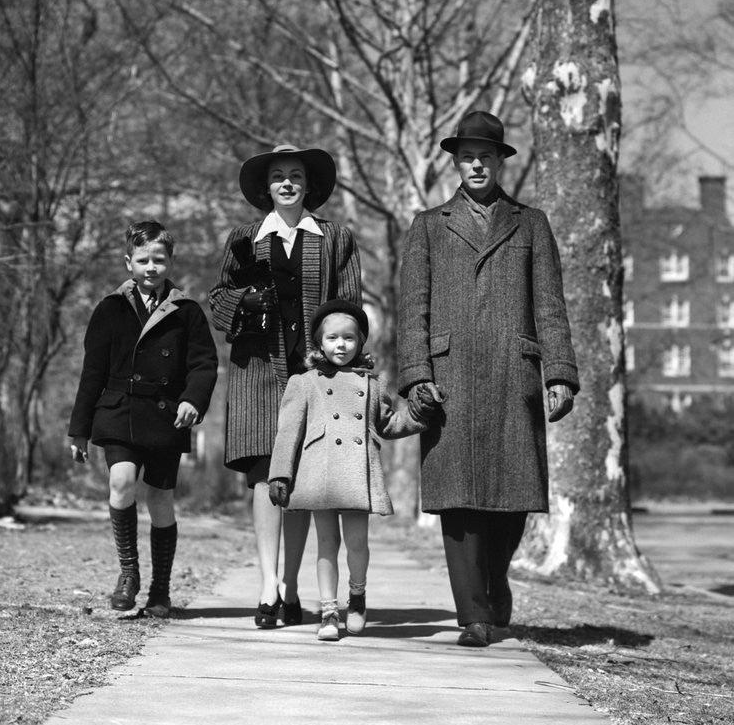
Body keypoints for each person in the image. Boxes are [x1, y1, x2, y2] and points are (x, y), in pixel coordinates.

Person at [398, 111, 579, 648]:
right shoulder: (428, 225)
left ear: (500, 161)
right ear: (456, 163)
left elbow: (550, 305)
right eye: (467, 157)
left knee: (512, 496)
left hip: (513, 373)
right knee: (457, 498)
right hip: (448, 375)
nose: (476, 165)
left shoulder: (531, 223)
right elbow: (413, 311)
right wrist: (415, 377)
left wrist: (560, 373)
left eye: (485, 156)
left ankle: (495, 580)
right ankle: (473, 614)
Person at [210, 144, 362, 629]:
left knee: (304, 477)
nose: (288, 183)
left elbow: (351, 308)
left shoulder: (336, 239)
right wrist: (245, 302)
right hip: (257, 372)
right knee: (263, 475)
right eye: (278, 176)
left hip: (318, 377)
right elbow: (217, 301)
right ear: (265, 186)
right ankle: (267, 585)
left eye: (296, 175)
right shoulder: (244, 238)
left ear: (309, 184)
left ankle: (292, 588)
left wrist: (338, 356)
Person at [68, 220, 218, 618]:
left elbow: (204, 365)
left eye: (159, 259)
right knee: (121, 482)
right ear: (128, 262)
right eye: (142, 260)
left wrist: (193, 401)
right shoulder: (110, 309)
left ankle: (160, 590)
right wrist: (79, 430)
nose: (151, 267)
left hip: (167, 416)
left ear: (170, 262)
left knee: (161, 500)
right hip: (117, 411)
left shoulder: (186, 311)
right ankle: (129, 574)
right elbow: (92, 372)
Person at [268, 300, 442, 641]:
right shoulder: (304, 383)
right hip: (319, 474)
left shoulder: (373, 384)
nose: (341, 345)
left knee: (357, 543)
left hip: (357, 473)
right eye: (332, 338)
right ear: (320, 342)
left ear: (359, 342)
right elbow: (289, 432)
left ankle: (357, 596)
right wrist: (280, 474)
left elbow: (389, 424)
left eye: (349, 338)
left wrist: (419, 414)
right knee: (327, 544)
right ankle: (329, 611)